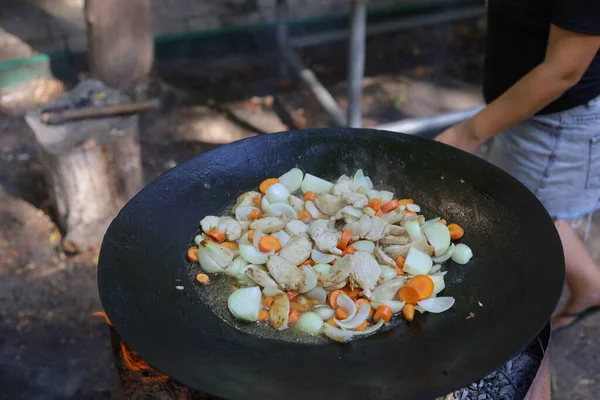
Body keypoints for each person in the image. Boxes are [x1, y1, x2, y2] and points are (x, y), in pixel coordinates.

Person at [435, 0, 600, 331]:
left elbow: (565, 69)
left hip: (558, 121)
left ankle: (505, 327)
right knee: (534, 211)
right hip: (521, 104)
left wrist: (468, 133)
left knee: (522, 218)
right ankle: (590, 288)